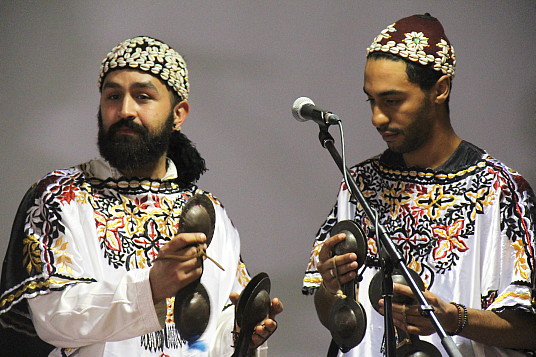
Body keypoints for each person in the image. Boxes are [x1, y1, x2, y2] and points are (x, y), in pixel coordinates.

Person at [0, 36, 282, 356]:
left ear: (178, 114)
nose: (125, 110)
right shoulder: (59, 196)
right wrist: (151, 287)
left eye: (143, 96)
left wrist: (242, 334)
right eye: (113, 96)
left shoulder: (209, 213)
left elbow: (209, 336)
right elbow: (54, 316)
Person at [302, 13, 536, 356]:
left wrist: (454, 319)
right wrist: (331, 287)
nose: (377, 118)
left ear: (439, 90)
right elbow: (333, 316)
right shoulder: (359, 185)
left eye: (393, 101)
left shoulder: (501, 191)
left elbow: (529, 331)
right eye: (372, 100)